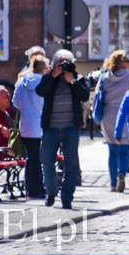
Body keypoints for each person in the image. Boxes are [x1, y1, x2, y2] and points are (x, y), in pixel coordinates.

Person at [36, 49, 89, 210]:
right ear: (54, 64)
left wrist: (71, 80)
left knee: (71, 164)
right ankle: (51, 192)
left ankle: (67, 198)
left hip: (70, 128)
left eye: (67, 63)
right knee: (46, 161)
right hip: (50, 129)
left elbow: (84, 96)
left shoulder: (77, 78)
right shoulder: (48, 79)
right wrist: (53, 75)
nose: (64, 66)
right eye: (61, 63)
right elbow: (40, 91)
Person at [95, 49, 129, 193]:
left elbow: (98, 97)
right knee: (124, 151)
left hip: (108, 116)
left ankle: (112, 183)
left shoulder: (104, 78)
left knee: (112, 151)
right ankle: (121, 174)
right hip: (125, 116)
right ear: (122, 63)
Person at [13, 55, 49, 199]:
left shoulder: (22, 82)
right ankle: (39, 189)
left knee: (30, 158)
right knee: (40, 159)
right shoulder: (44, 82)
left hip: (26, 125)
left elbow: (15, 103)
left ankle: (30, 189)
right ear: (43, 68)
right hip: (41, 125)